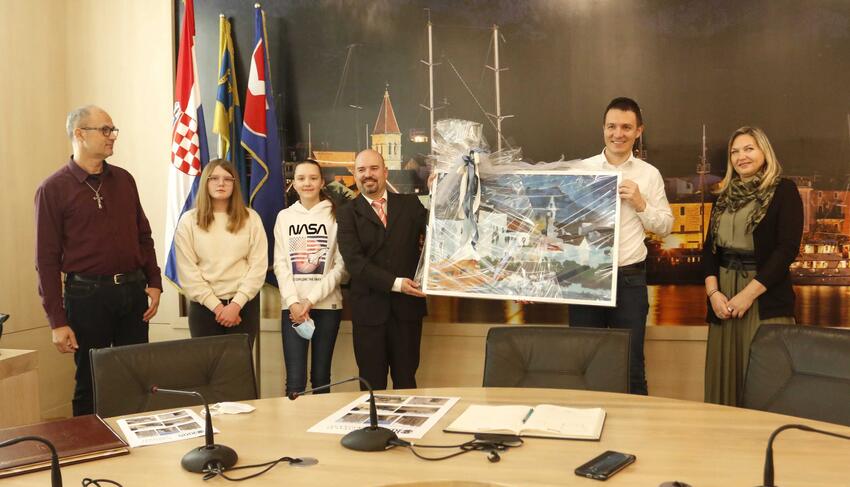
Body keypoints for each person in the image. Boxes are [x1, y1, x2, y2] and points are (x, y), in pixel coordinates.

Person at [35, 105, 162, 416]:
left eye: (112, 130)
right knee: (90, 383)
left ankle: (137, 441)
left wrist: (154, 281)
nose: (112, 136)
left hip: (132, 291)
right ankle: (90, 445)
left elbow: (143, 235)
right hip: (86, 297)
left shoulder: (124, 180)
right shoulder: (52, 189)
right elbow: (46, 260)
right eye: (105, 130)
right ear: (80, 134)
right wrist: (57, 321)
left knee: (138, 378)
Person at [569, 97, 673, 395]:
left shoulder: (649, 174)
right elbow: (562, 226)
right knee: (583, 362)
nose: (618, 134)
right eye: (612, 126)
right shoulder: (581, 170)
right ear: (603, 128)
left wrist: (641, 203)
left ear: (639, 131)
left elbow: (665, 226)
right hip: (585, 278)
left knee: (631, 365)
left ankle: (635, 423)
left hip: (630, 279)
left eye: (626, 127)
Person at [702, 126, 802, 406]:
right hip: (723, 299)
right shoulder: (723, 195)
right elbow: (709, 250)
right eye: (735, 151)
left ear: (764, 152)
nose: (741, 156)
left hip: (762, 297)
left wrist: (747, 296)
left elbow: (786, 250)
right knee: (724, 381)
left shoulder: (784, 190)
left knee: (765, 381)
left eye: (749, 149)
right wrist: (713, 295)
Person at [337, 149, 428, 390]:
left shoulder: (410, 204)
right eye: (361, 170)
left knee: (406, 382)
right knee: (371, 386)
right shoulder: (346, 214)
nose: (367, 174)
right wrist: (397, 284)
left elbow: (440, 233)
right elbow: (355, 263)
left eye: (374, 168)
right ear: (355, 175)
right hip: (369, 314)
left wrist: (440, 192)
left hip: (407, 313)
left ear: (385, 172)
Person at [273, 160, 347, 395]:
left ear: (322, 182)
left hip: (327, 306)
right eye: (301, 178)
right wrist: (294, 302)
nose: (307, 183)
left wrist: (311, 300)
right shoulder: (284, 217)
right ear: (294, 183)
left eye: (313, 178)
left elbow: (341, 267)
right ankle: (294, 421)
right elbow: (280, 264)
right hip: (293, 308)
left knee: (321, 378)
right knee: (295, 381)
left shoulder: (336, 215)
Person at [174, 159, 267, 346]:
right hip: (204, 307)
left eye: (227, 179)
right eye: (214, 178)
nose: (221, 183)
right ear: (205, 183)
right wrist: (217, 307)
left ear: (235, 184)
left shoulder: (251, 218)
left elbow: (258, 266)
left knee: (238, 364)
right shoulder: (189, 221)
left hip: (243, 306)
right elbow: (187, 270)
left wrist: (236, 304)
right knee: (206, 363)